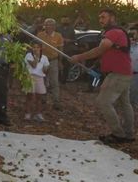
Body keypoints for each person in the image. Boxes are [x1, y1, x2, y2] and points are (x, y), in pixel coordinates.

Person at [72, 9, 135, 144]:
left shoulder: (114, 32)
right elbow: (108, 53)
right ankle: (129, 134)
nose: (101, 20)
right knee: (125, 104)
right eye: (99, 17)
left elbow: (100, 49)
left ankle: (118, 134)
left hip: (118, 74)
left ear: (112, 18)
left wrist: (79, 57)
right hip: (123, 73)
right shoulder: (113, 32)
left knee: (103, 102)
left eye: (103, 17)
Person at [37, 18, 64, 110]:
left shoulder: (58, 36)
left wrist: (60, 61)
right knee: (43, 80)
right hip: (42, 61)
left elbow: (60, 50)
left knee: (54, 82)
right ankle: (43, 99)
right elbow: (37, 48)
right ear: (44, 26)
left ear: (54, 26)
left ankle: (56, 102)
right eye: (47, 24)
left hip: (53, 61)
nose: (49, 26)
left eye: (51, 25)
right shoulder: (40, 35)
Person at [24, 41, 50, 121]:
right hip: (30, 77)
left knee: (39, 97)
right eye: (34, 47)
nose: (35, 49)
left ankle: (38, 114)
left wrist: (46, 69)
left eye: (37, 47)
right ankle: (28, 113)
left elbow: (46, 70)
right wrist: (37, 57)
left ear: (40, 48)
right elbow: (34, 65)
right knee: (30, 96)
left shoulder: (45, 58)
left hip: (39, 78)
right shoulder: (28, 56)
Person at [128, 27, 138, 109]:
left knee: (134, 93)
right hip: (124, 74)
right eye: (130, 34)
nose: (132, 36)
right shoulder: (125, 47)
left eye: (133, 34)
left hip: (136, 75)